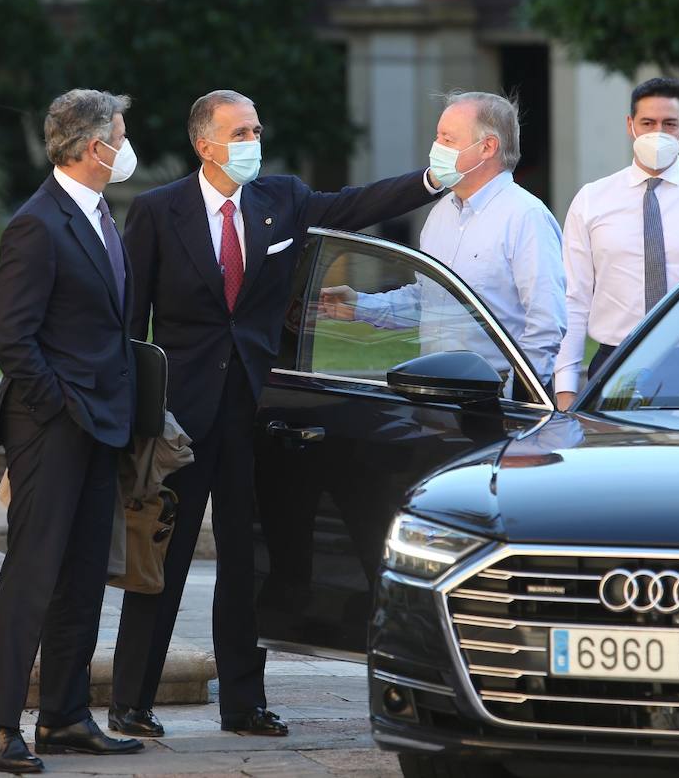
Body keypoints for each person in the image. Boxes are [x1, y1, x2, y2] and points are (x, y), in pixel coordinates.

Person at [109, 89, 447, 739]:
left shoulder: (282, 199)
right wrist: (135, 419)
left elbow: (354, 205)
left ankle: (243, 703)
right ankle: (131, 699)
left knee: (247, 564)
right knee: (163, 560)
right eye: (239, 132)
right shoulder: (158, 212)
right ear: (204, 144)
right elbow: (130, 326)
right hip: (179, 423)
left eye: (256, 129)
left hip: (256, 418)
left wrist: (430, 180)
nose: (251, 142)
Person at [0, 89, 144, 773]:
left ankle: (66, 717)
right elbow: (9, 338)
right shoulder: (37, 224)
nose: (127, 145)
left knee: (81, 576)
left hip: (101, 423)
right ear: (90, 146)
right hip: (52, 426)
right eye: (121, 134)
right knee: (34, 575)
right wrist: (61, 407)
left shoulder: (103, 215)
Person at [320, 91, 567, 389]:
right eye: (438, 138)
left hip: (496, 393)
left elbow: (546, 324)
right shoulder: (441, 213)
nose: (436, 148)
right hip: (436, 390)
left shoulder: (526, 216)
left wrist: (518, 393)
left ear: (487, 147)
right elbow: (428, 301)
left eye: (448, 140)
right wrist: (360, 306)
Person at [554, 77, 679, 409]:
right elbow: (573, 298)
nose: (658, 133)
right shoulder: (592, 200)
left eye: (669, 123)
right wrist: (565, 389)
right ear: (630, 125)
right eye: (648, 123)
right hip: (616, 361)